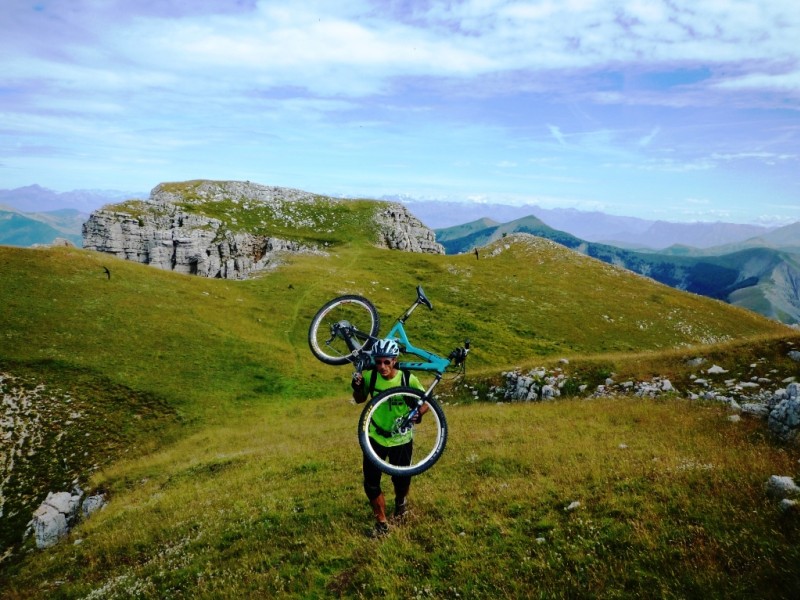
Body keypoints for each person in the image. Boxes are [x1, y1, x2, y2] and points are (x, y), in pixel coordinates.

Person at [351, 338, 427, 536]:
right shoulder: (371, 377)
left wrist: (419, 414)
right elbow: (359, 400)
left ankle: (400, 503)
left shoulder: (407, 379)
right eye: (378, 362)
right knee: (371, 483)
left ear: (395, 360)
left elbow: (425, 402)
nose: (382, 366)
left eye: (387, 362)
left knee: (401, 481)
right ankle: (382, 523)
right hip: (375, 437)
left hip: (401, 439)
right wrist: (358, 387)